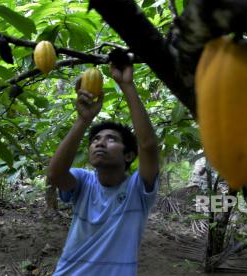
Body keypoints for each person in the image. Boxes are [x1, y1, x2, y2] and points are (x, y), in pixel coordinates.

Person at [47, 63, 160, 275]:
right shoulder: (83, 181)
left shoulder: (138, 189)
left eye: (111, 139)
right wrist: (84, 119)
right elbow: (55, 175)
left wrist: (126, 84)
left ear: (128, 155)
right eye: (96, 139)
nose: (100, 143)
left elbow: (148, 146)